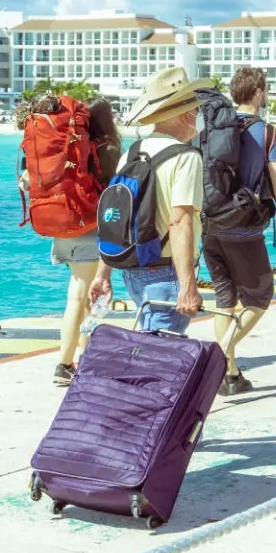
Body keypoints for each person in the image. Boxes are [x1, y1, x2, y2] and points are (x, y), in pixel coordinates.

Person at [89, 67, 209, 334]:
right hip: (165, 272)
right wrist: (188, 285)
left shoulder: (132, 152)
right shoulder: (186, 157)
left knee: (152, 346)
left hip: (132, 271)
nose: (198, 115)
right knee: (158, 357)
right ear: (181, 113)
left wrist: (102, 276)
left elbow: (116, 220)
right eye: (195, 108)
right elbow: (179, 222)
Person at [202, 67, 276, 397]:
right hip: (243, 230)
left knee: (224, 301)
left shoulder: (213, 126)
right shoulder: (269, 133)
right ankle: (215, 360)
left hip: (210, 225)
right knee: (260, 296)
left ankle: (230, 375)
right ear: (258, 93)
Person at [49, 99, 121, 386]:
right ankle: (64, 364)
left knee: (83, 295)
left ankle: (82, 355)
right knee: (79, 296)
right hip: (90, 227)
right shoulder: (107, 149)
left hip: (64, 226)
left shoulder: (69, 147)